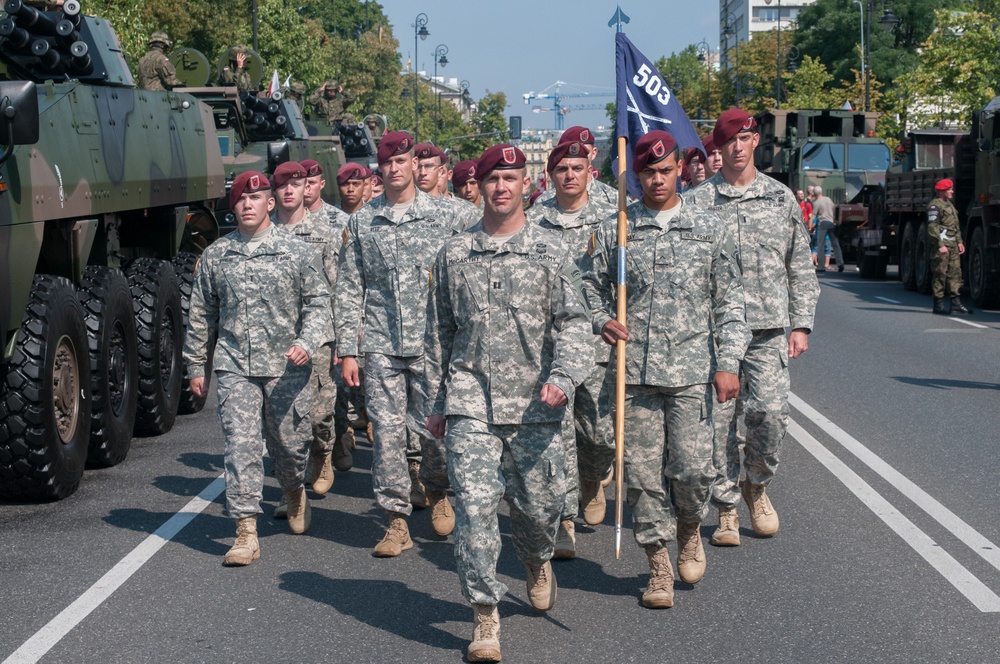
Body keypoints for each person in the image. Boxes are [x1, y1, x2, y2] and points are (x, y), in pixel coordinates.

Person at [423, 144, 593, 662]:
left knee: (537, 511)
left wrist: (564, 377)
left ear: (527, 184)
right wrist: (437, 402)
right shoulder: (454, 254)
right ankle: (484, 615)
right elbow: (440, 332)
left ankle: (537, 559)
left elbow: (576, 324)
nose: (501, 187)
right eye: (493, 178)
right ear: (480, 184)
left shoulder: (551, 251)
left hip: (536, 406)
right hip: (470, 401)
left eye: (511, 178)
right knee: (474, 512)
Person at [581, 131, 749, 608]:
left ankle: (691, 529)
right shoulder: (617, 227)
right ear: (637, 176)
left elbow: (730, 303)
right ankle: (657, 563)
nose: (657, 179)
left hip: (694, 372)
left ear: (680, 170)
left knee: (694, 471)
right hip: (633, 376)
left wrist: (728, 363)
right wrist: (601, 319)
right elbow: (584, 283)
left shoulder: (708, 228)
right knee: (642, 476)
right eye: (648, 172)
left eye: (665, 170)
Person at [183, 171, 333, 565]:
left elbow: (319, 304)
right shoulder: (216, 255)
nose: (247, 204)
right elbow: (201, 314)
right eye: (240, 200)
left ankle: (294, 491)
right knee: (241, 445)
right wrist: (196, 364)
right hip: (235, 366)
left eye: (256, 198)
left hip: (287, 367)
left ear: (270, 203)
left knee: (289, 445)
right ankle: (245, 530)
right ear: (232, 207)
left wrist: (306, 342)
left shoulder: (297, 251)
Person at [686, 109, 819, 547]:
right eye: (729, 142)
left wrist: (801, 324)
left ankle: (756, 486)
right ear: (718, 149)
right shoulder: (697, 203)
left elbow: (799, 263)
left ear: (755, 141)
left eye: (744, 139)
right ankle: (725, 507)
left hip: (767, 329)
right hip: (713, 332)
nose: (737, 148)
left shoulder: (779, 199)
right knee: (717, 423)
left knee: (770, 415)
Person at [336, 131, 461, 556]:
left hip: (433, 347)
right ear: (380, 169)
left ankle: (439, 490)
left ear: (414, 165)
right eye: (386, 163)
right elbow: (350, 287)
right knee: (387, 436)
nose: (394, 169)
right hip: (381, 343)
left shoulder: (447, 217)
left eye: (401, 161)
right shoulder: (362, 221)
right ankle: (396, 521)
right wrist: (347, 349)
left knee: (435, 432)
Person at [526, 140, 617, 560]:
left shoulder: (615, 214)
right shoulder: (534, 221)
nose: (569, 175)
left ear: (589, 170)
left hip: (600, 345)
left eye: (576, 167)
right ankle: (563, 522)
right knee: (556, 439)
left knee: (598, 437)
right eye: (561, 168)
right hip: (551, 346)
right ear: (550, 175)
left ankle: (592, 479)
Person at [539, 126, 618, 207]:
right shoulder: (544, 200)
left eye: (585, 153)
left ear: (594, 153)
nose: (578, 159)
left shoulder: (613, 198)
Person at [928, 178, 972, 315]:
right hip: (942, 246)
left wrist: (959, 241)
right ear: (942, 191)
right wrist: (940, 245)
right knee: (940, 273)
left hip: (952, 245)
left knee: (955, 273)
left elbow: (954, 226)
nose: (952, 191)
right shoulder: (935, 206)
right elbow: (932, 227)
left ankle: (956, 304)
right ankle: (938, 305)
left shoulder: (949, 205)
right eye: (950, 189)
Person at [812, 186, 844, 272]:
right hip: (832, 223)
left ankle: (821, 266)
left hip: (822, 224)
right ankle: (840, 263)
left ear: (814, 194)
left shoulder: (816, 203)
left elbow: (813, 215)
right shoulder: (829, 199)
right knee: (835, 244)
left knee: (821, 245)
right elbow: (835, 209)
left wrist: (811, 227)